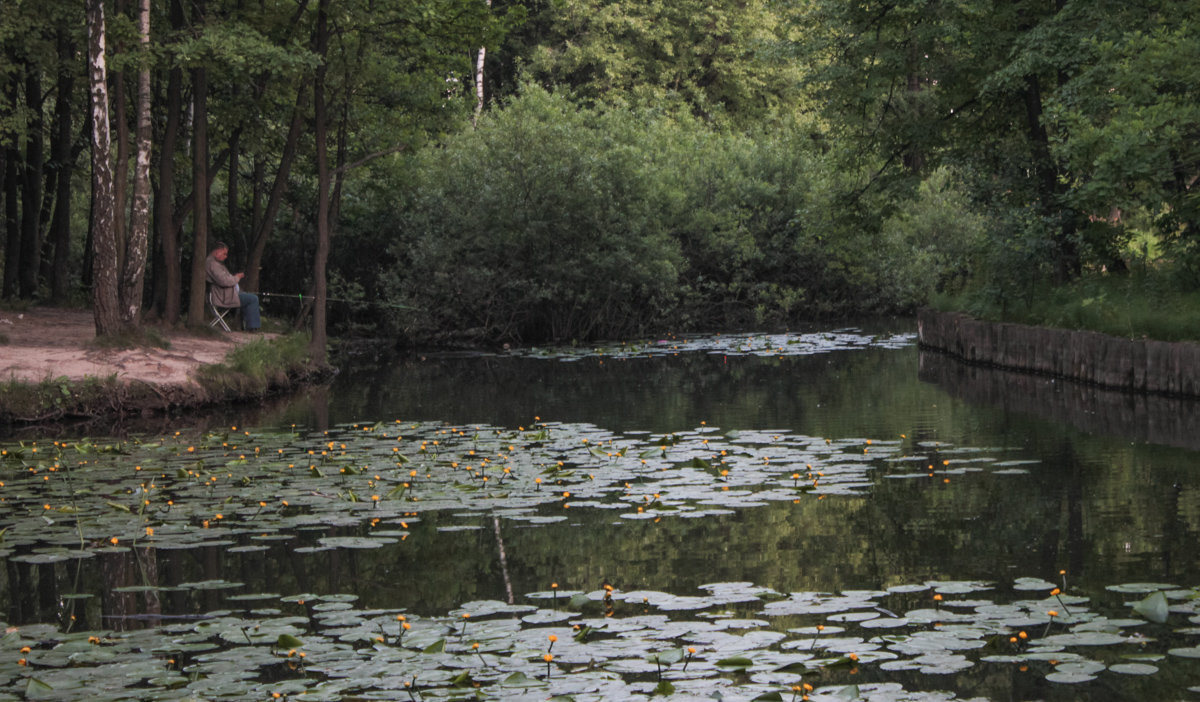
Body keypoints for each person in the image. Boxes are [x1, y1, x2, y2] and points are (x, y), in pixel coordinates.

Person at [205, 241, 261, 331]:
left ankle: (247, 326)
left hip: (225, 294)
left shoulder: (214, 263)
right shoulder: (213, 264)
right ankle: (252, 328)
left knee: (248, 297)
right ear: (217, 251)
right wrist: (236, 278)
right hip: (222, 296)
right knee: (253, 299)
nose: (226, 256)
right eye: (224, 253)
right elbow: (224, 281)